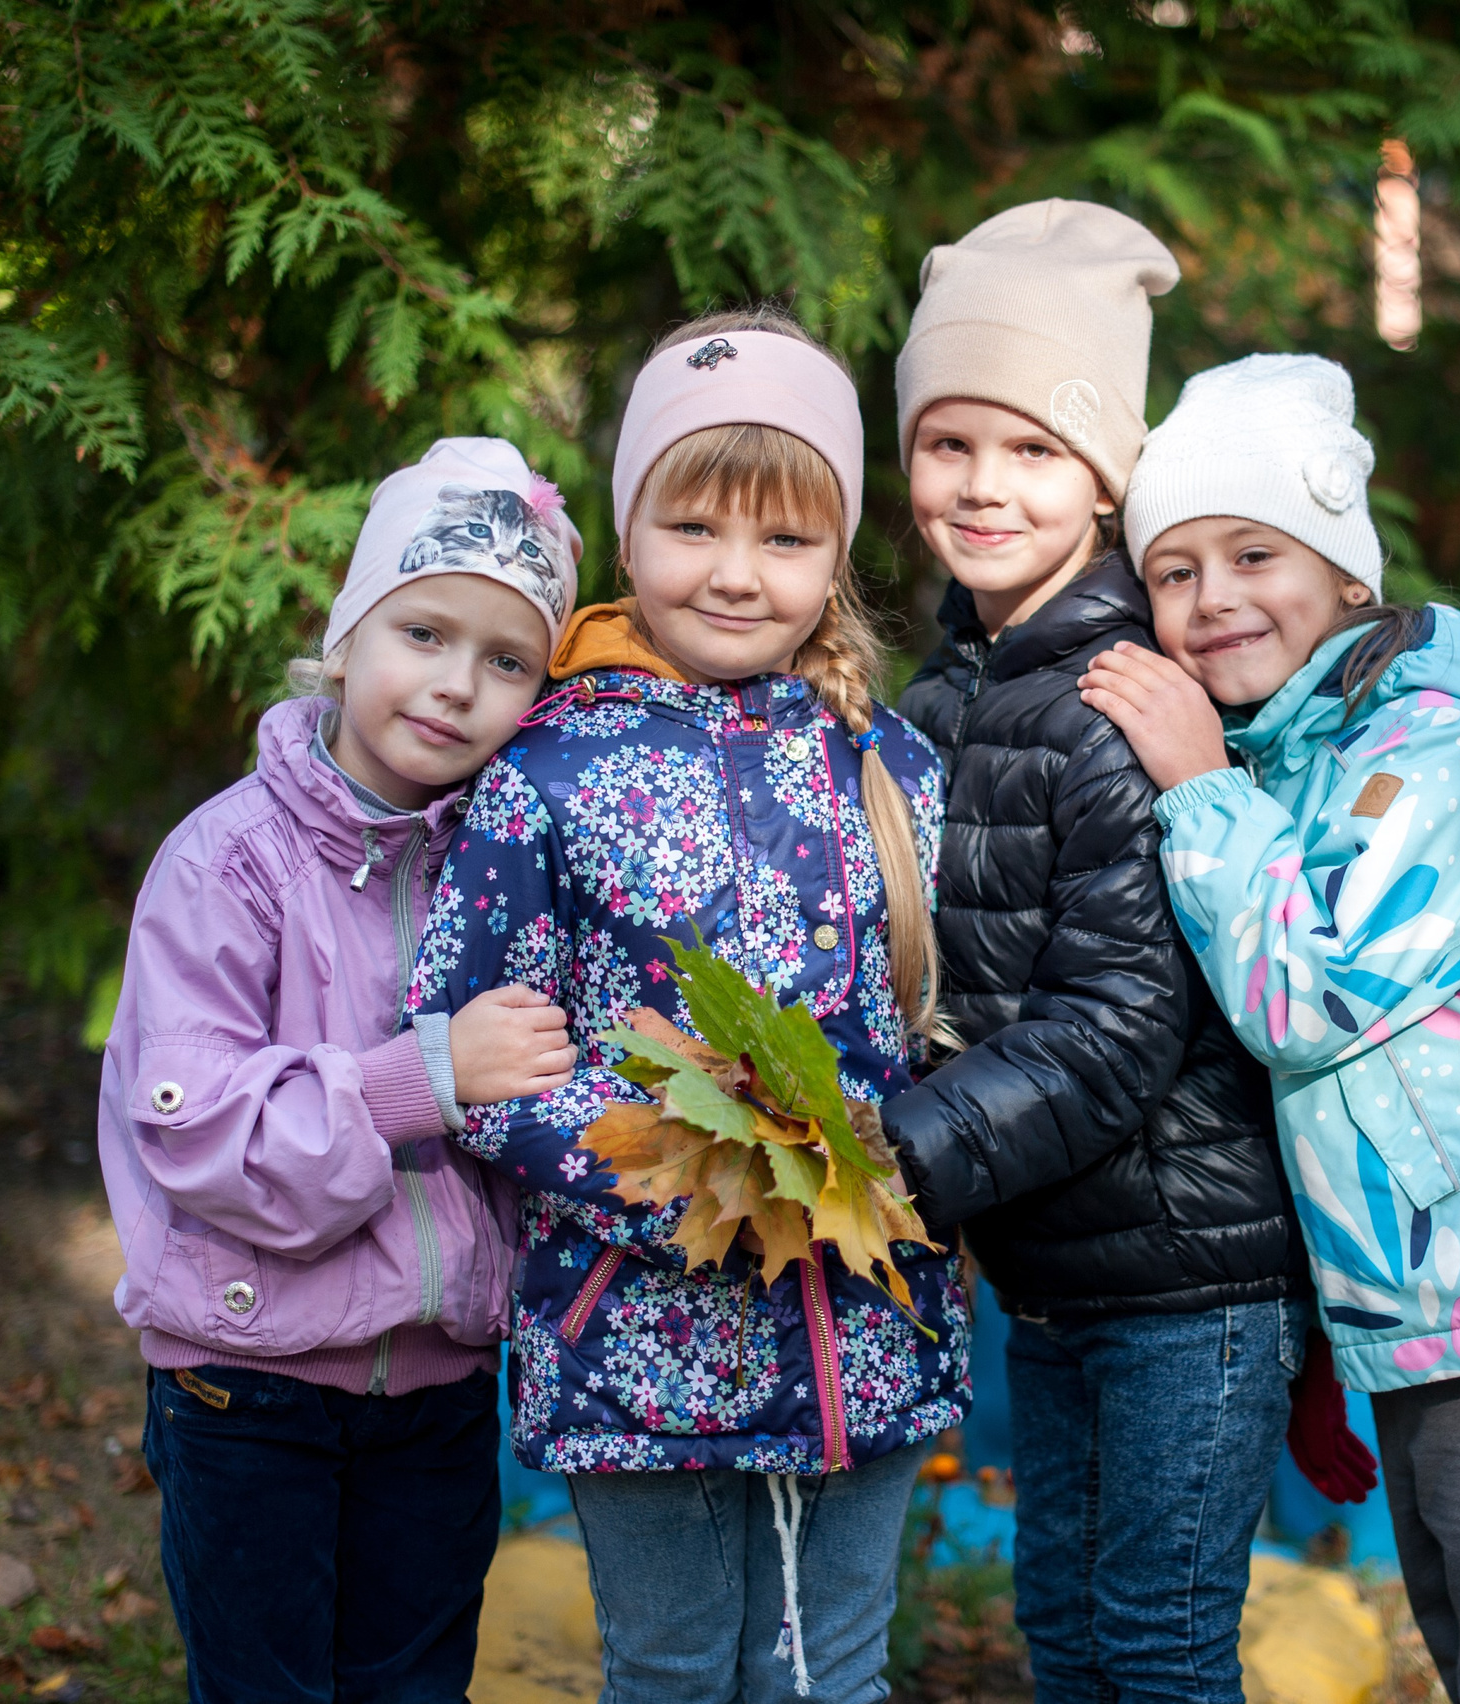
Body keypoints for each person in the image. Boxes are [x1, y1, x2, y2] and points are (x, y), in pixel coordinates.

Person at [1080, 353, 1460, 1704]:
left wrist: (1195, 788)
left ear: (1348, 576)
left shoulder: (1431, 749)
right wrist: (1326, 1344)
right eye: (1174, 571)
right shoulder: (1298, 761)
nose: (1213, 598)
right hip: (1425, 1301)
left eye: (1256, 551)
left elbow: (1306, 1005)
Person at [404, 307, 966, 1704]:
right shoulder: (548, 770)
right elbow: (484, 1042)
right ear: (628, 528)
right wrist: (689, 1184)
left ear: (838, 551)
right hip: (638, 1324)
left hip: (867, 1317)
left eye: (784, 540)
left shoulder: (889, 762)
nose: (735, 575)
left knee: (831, 1670)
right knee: (667, 1668)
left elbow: (953, 1024)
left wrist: (901, 1167)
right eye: (694, 529)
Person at [883, 200, 1336, 1704]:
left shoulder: (1124, 696)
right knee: (1066, 1638)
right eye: (949, 444)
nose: (984, 485)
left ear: (1103, 475)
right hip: (1060, 1272)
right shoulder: (941, 703)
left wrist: (909, 1151)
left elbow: (1122, 1020)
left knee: (1154, 1642)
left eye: (1031, 451)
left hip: (1192, 1281)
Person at [97, 437, 586, 1703]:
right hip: (245, 1387)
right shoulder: (228, 863)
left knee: (414, 1684)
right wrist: (426, 1077)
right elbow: (199, 1132)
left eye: (506, 661)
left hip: (434, 1388)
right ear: (345, 634)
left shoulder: (509, 862)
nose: (454, 687)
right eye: (422, 633)